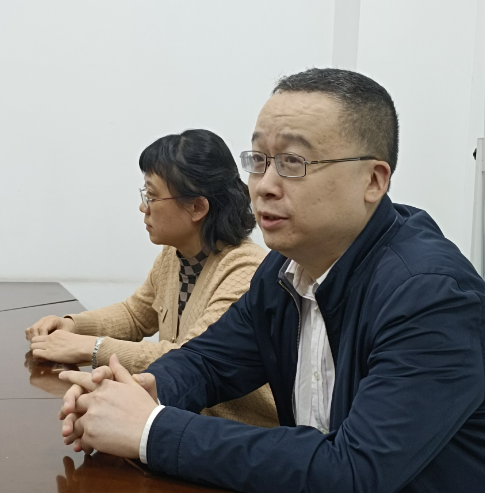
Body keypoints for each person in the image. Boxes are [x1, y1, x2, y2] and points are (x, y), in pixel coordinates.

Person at [58, 69, 485, 493]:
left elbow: (355, 471)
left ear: (373, 180)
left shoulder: (431, 295)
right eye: (258, 161)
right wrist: (141, 391)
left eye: (292, 162)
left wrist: (151, 429)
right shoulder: (283, 271)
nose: (263, 186)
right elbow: (209, 362)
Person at [26, 128, 278, 427]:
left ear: (197, 207)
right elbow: (135, 315)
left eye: (152, 196)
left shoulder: (245, 270)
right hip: (181, 419)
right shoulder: (175, 254)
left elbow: (188, 358)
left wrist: (89, 348)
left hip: (232, 434)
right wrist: (73, 325)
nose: (143, 207)